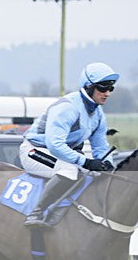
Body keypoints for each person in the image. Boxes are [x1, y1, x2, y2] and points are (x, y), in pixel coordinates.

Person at [19, 62, 119, 227]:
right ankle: (36, 213)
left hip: (60, 153)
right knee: (69, 170)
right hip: (35, 150)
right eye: (103, 88)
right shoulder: (68, 108)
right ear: (88, 87)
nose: (107, 93)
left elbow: (100, 147)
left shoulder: (99, 114)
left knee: (95, 175)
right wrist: (86, 162)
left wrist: (107, 165)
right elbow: (55, 144)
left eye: (111, 89)